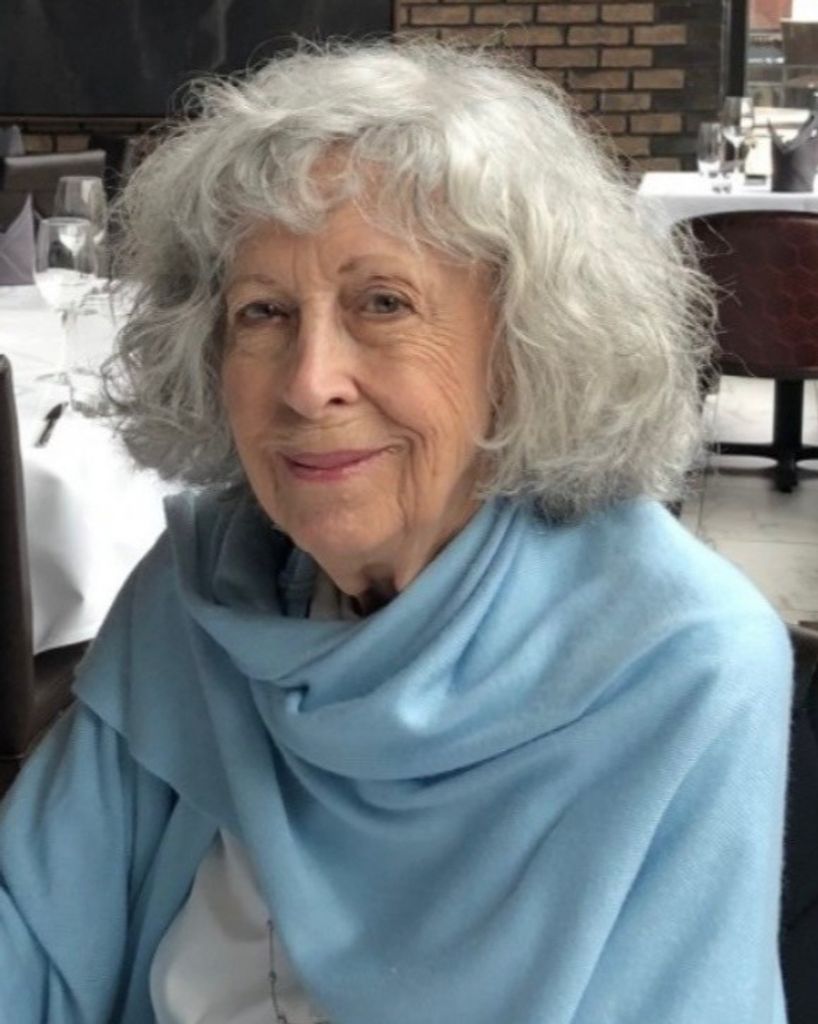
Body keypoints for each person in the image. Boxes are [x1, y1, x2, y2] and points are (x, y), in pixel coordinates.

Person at [0, 41, 792, 1024]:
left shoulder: (678, 664)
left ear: (521, 346)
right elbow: (26, 929)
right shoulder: (206, 585)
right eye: (263, 312)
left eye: (383, 304)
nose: (308, 382)